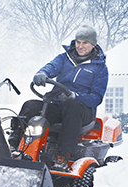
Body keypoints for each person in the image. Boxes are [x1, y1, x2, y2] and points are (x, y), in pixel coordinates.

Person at [10, 25, 108, 172]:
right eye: (78, 42)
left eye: (85, 43)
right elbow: (51, 67)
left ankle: (63, 155)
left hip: (82, 110)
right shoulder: (65, 58)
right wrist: (42, 73)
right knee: (30, 105)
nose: (80, 46)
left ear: (93, 45)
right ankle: (14, 145)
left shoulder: (100, 68)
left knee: (73, 107)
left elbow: (96, 97)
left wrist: (76, 96)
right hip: (58, 104)